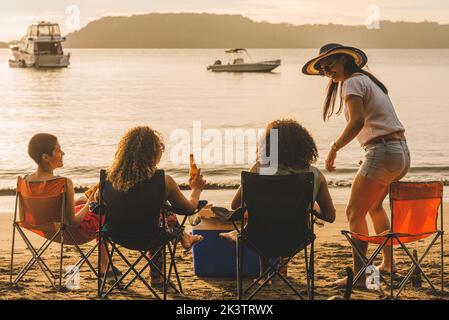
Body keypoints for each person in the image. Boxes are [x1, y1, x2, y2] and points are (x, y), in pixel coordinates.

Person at [302, 43, 410, 287]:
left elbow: (357, 122)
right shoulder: (366, 80)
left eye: (328, 65)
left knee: (353, 212)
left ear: (343, 59)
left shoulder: (351, 82)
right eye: (322, 70)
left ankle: (363, 277)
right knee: (374, 208)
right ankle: (388, 265)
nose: (326, 71)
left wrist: (334, 148)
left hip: (382, 150)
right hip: (400, 152)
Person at [221, 119, 336, 278]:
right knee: (283, 218)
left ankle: (263, 271)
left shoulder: (259, 169)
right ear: (305, 146)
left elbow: (235, 205)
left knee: (265, 216)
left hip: (259, 238)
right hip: (296, 239)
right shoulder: (315, 175)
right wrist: (314, 209)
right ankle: (280, 267)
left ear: (268, 147)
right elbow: (330, 216)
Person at [105, 126, 206, 285]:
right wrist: (196, 189)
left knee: (159, 209)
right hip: (150, 237)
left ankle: (182, 238)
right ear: (152, 153)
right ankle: (157, 276)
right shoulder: (163, 181)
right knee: (159, 217)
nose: (161, 151)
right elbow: (188, 209)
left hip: (115, 235)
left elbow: (99, 203)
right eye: (161, 148)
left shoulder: (109, 179)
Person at [25, 133, 111, 275]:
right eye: (58, 150)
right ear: (45, 157)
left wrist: (80, 201)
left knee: (92, 195)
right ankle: (104, 266)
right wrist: (90, 202)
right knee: (103, 212)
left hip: (43, 229)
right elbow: (74, 222)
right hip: (70, 233)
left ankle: (85, 198)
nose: (63, 153)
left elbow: (49, 208)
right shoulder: (64, 183)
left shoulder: (25, 180)